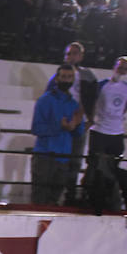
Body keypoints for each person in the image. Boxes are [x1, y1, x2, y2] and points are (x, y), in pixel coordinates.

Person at [31, 63, 85, 205]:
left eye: (69, 77)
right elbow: (36, 128)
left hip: (63, 158)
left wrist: (76, 124)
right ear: (57, 79)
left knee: (54, 200)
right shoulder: (45, 100)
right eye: (63, 77)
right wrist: (59, 127)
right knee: (39, 199)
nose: (66, 80)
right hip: (45, 156)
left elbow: (78, 133)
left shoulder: (74, 104)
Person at [86, 55, 127, 211]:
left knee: (113, 168)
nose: (122, 70)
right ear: (114, 66)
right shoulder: (102, 85)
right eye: (120, 67)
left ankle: (108, 199)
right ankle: (91, 198)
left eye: (126, 68)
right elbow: (91, 105)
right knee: (94, 166)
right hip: (99, 131)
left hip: (116, 133)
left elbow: (125, 108)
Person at [57, 42, 97, 205]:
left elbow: (93, 98)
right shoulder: (59, 75)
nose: (71, 57)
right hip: (62, 123)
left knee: (75, 160)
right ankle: (57, 192)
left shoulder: (87, 75)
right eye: (68, 54)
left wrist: (90, 119)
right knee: (60, 159)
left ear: (80, 56)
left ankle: (70, 195)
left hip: (80, 122)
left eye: (74, 53)